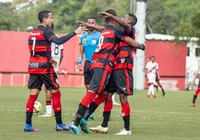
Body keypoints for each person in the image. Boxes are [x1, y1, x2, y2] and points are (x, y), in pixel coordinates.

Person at [69, 9, 144, 135]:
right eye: (120, 17)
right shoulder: (114, 31)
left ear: (130, 21)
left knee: (115, 96)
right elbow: (102, 28)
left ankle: (126, 129)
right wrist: (88, 25)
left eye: (124, 17)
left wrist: (140, 45)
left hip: (121, 65)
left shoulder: (127, 29)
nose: (122, 18)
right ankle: (98, 124)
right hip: (108, 65)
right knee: (105, 94)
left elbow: (107, 29)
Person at [24, 10, 85, 132]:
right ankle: (59, 124)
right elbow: (58, 41)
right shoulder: (46, 31)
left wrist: (48, 57)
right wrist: (75, 32)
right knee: (56, 93)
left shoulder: (33, 32)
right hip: (45, 68)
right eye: (51, 18)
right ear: (44, 19)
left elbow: (36, 50)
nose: (52, 20)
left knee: (33, 96)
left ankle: (28, 125)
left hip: (33, 66)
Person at [38, 23, 64, 118]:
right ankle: (53, 110)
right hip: (55, 64)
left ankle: (49, 111)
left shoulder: (48, 37)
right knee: (52, 88)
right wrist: (58, 65)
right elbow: (62, 53)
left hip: (49, 64)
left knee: (48, 88)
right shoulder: (58, 37)